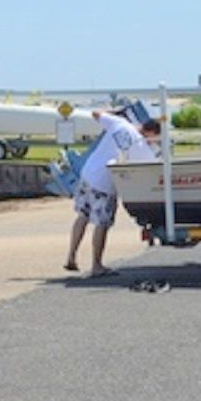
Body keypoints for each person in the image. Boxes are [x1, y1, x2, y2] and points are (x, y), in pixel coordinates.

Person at [65, 110, 161, 277]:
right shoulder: (141, 146)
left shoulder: (120, 123)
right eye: (155, 138)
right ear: (151, 133)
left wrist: (114, 112)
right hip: (104, 184)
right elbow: (151, 169)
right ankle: (96, 265)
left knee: (83, 216)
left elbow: (95, 113)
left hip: (88, 174)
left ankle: (71, 257)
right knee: (101, 223)